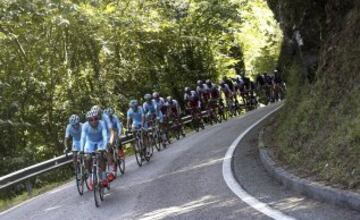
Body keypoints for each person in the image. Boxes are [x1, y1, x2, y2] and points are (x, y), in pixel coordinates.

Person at [80, 110, 109, 188]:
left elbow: (105, 136)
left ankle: (103, 176)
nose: (94, 121)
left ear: (98, 118)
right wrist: (81, 149)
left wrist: (103, 147)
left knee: (101, 156)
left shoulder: (102, 123)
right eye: (91, 120)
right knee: (87, 158)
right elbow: (82, 138)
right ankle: (90, 176)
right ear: (88, 121)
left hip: (100, 141)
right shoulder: (85, 126)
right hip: (90, 143)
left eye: (96, 118)